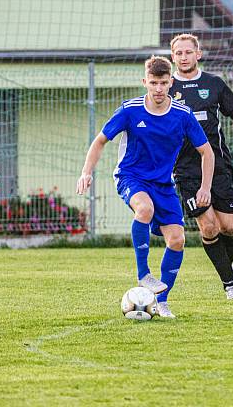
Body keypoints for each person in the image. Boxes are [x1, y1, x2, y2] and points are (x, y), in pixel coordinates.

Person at [77, 56, 214, 319]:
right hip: (131, 177)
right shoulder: (130, 110)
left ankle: (161, 302)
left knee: (177, 240)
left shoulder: (182, 115)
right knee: (144, 208)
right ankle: (144, 274)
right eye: (153, 83)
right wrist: (86, 172)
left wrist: (205, 187)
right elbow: (100, 141)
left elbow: (206, 152)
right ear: (145, 82)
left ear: (171, 82)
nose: (159, 88)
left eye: (163, 83)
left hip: (163, 184)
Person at [169, 33, 233, 300]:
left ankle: (228, 266)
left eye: (188, 52)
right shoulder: (166, 89)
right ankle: (230, 284)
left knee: (228, 227)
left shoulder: (213, 84)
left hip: (218, 164)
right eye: (179, 53)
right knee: (208, 228)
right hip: (187, 171)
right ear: (173, 57)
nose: (184, 57)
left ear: (198, 54)